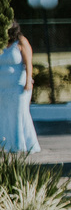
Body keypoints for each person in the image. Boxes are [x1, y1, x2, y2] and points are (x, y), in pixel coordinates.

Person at [0, 21, 40, 153]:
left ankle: (20, 145)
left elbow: (28, 63)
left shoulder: (21, 42)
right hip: (3, 86)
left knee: (18, 114)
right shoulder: (1, 44)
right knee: (5, 115)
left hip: (18, 85)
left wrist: (28, 80)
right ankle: (6, 144)